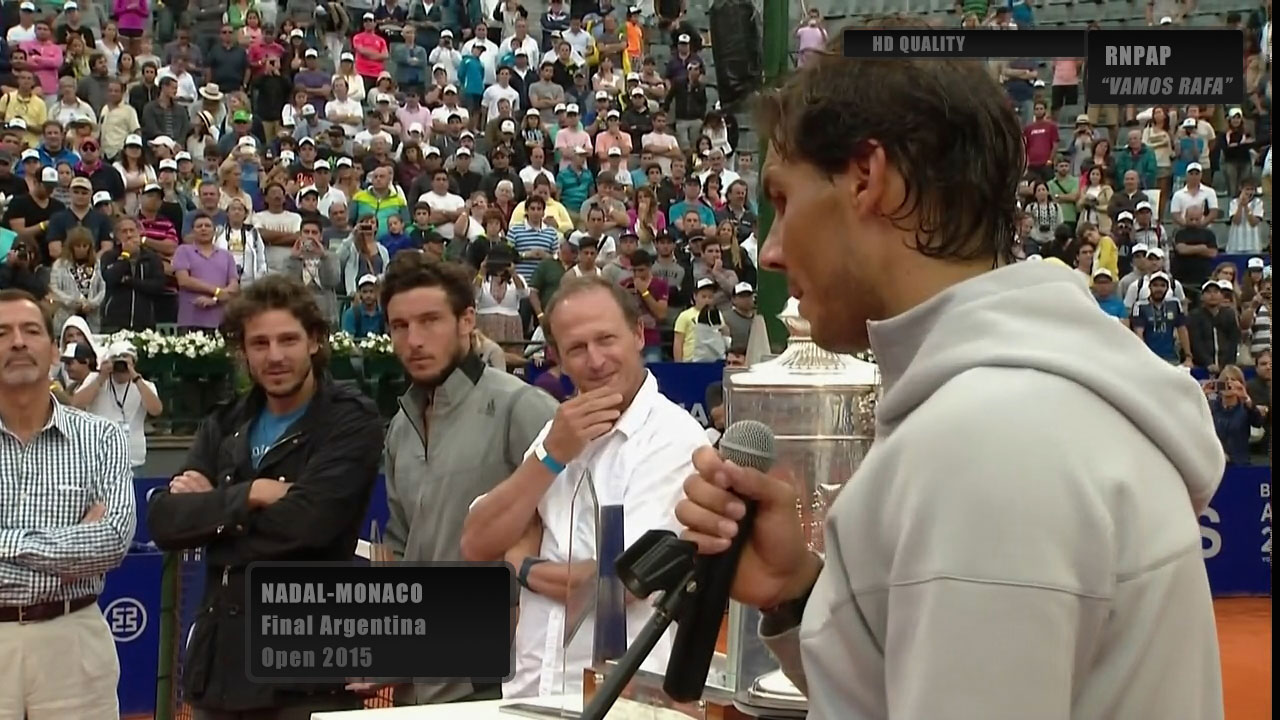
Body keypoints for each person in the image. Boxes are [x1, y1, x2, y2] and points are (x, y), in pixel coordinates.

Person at [674, 35, 1226, 719]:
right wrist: (800, 590)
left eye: (783, 201)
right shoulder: (1011, 410)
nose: (774, 249)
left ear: (867, 178)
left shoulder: (986, 440)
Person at [460, 275, 710, 700]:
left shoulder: (675, 438)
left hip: (621, 700)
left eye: (606, 340)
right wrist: (552, 455)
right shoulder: (560, 430)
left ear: (636, 336)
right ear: (558, 356)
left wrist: (524, 565)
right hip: (530, 692)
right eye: (577, 348)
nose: (595, 361)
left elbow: (620, 585)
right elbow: (478, 542)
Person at [145, 274, 383, 720]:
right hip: (219, 675)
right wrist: (252, 493)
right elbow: (165, 521)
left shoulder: (350, 420)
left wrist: (212, 515)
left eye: (288, 340)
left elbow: (308, 524)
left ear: (314, 341)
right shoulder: (223, 422)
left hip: (307, 675)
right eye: (260, 343)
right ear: (243, 351)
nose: (275, 356)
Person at [366, 254, 556, 706]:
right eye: (400, 326)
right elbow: (400, 540)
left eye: (430, 321)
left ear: (467, 320)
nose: (414, 340)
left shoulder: (522, 406)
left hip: (501, 679)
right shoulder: (400, 424)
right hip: (419, 676)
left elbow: (566, 534)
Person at [0, 288, 135, 719]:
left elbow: (112, 542)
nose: (18, 341)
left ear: (55, 350)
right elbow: (90, 544)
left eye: (31, 330)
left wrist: (6, 544)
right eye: (1, 332)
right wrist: (73, 541)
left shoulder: (101, 438)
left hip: (72, 641)